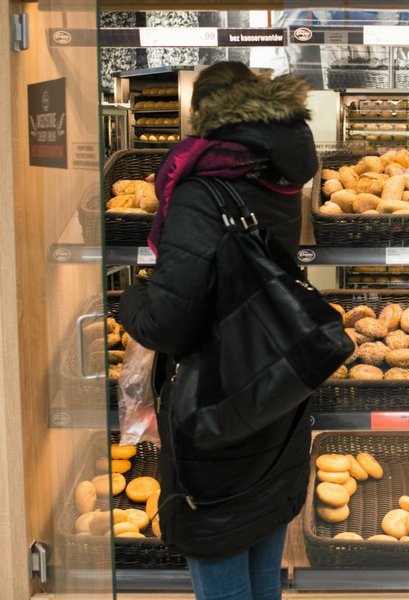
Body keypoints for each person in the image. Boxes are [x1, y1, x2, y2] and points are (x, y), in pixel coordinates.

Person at [119, 61, 318, 600]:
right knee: (261, 525)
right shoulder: (278, 176)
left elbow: (167, 321)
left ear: (201, 116)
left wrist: (131, 297)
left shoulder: (201, 189)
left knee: (218, 532)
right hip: (276, 380)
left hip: (217, 396)